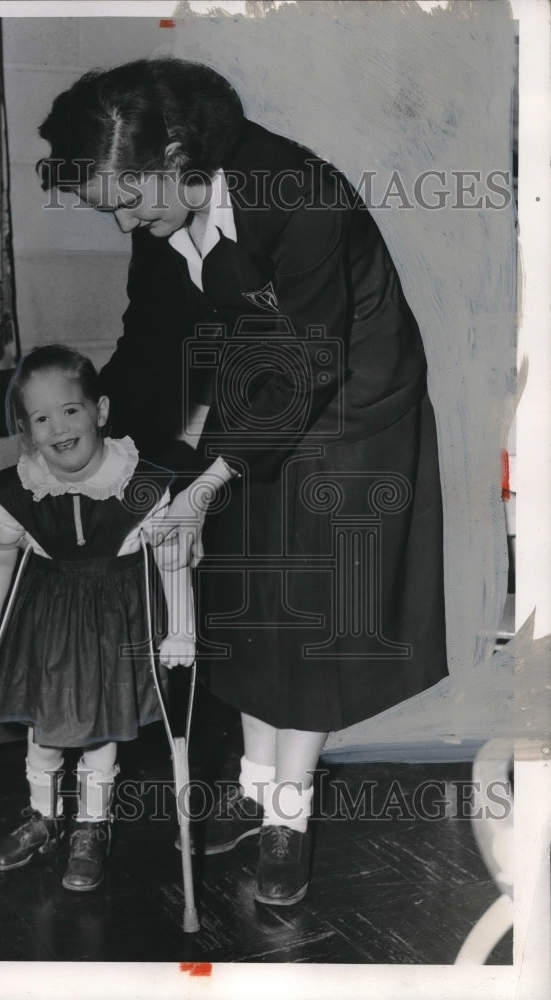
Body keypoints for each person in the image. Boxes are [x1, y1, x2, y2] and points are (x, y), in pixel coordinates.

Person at [36, 58, 449, 908]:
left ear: (179, 153)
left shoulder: (301, 192)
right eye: (112, 203)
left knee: (308, 621)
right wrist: (90, 435)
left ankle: (288, 824)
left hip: (353, 409)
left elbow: (303, 356)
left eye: (129, 197)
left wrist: (210, 474)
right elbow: (152, 344)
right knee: (245, 602)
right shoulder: (164, 216)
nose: (125, 218)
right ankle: (255, 794)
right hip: (258, 396)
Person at [0, 344, 195, 893]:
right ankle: (43, 816)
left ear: (100, 411)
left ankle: (92, 824)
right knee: (45, 731)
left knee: (100, 732)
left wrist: (180, 627)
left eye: (70, 410)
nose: (59, 427)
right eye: (41, 418)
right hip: (45, 623)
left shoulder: (140, 482)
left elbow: (171, 557)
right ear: (26, 429)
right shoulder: (18, 489)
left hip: (117, 623)